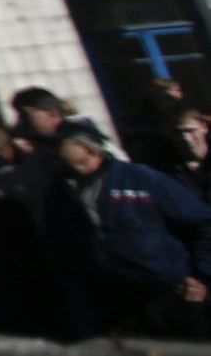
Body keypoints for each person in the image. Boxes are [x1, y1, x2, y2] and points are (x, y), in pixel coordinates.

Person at [40, 123, 211, 341]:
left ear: (89, 149)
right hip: (118, 306)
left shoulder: (139, 179)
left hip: (171, 296)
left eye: (62, 151)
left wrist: (202, 275)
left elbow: (204, 222)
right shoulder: (61, 196)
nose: (56, 159)